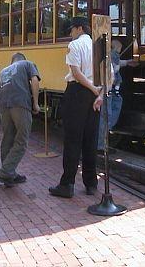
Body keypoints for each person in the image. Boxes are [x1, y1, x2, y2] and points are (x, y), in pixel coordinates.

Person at [49, 17, 103, 199]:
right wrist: (99, 95)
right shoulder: (99, 46)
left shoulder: (75, 45)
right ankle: (91, 184)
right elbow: (109, 75)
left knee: (73, 139)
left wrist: (92, 88)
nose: (70, 33)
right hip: (95, 96)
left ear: (79, 28)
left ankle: (67, 184)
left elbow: (76, 73)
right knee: (90, 139)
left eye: (72, 29)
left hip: (78, 93)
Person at [0, 53, 40, 187]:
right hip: (20, 104)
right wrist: (36, 103)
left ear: (12, 62)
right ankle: (5, 172)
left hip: (4, 107)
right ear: (23, 59)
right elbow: (35, 80)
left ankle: (10, 175)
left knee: (8, 139)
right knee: (21, 141)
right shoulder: (28, 64)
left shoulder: (3, 72)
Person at [97, 39, 138, 153]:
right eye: (119, 49)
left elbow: (117, 63)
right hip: (111, 90)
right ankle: (100, 144)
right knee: (108, 116)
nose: (119, 51)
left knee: (108, 115)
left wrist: (126, 62)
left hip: (112, 90)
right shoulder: (113, 54)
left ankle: (102, 142)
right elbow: (114, 67)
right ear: (116, 48)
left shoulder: (112, 55)